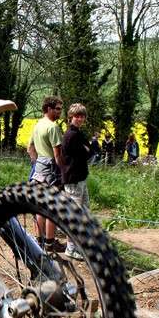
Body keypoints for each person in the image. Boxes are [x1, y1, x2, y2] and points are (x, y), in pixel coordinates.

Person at [27, 96, 66, 253]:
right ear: (49, 109)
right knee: (53, 209)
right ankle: (50, 244)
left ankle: (39, 241)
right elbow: (58, 156)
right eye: (57, 109)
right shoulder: (52, 127)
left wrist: (37, 163)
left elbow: (29, 147)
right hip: (52, 172)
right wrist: (65, 172)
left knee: (40, 207)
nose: (60, 112)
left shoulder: (37, 125)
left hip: (39, 171)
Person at [61, 103, 91, 260]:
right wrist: (86, 149)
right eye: (76, 116)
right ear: (70, 117)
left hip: (80, 178)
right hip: (73, 180)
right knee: (74, 214)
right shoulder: (71, 135)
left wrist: (87, 149)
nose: (79, 119)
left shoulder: (78, 133)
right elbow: (84, 152)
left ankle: (80, 246)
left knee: (84, 212)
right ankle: (71, 249)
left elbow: (91, 150)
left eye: (82, 116)